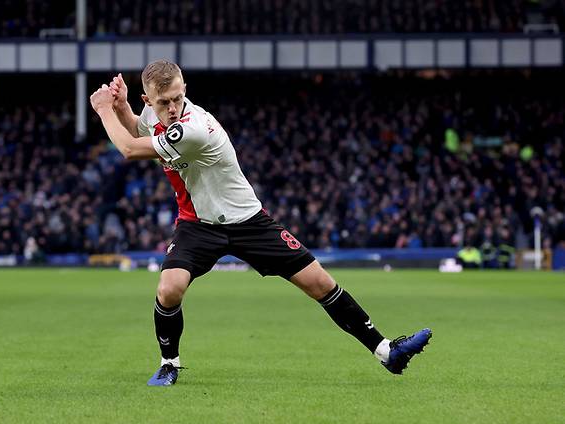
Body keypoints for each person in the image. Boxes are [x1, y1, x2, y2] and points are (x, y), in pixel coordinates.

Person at [89, 60, 432, 386]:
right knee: (168, 289)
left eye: (179, 97)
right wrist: (121, 107)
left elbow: (131, 149)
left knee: (320, 283)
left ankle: (387, 351)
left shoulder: (194, 128)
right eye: (164, 102)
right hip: (198, 224)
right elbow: (139, 128)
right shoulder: (155, 113)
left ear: (185, 89)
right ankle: (169, 365)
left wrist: (104, 108)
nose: (173, 106)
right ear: (149, 99)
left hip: (248, 220)